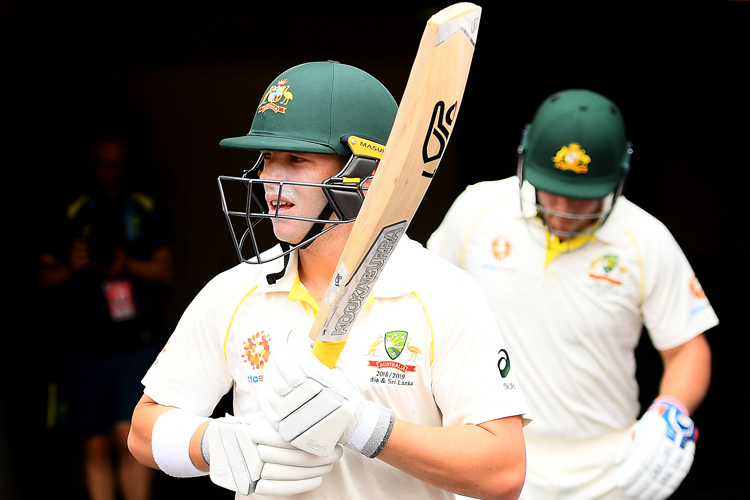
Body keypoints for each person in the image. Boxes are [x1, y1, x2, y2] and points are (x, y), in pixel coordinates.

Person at [127, 61, 530, 500]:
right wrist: (213, 443)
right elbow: (142, 431)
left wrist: (365, 427)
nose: (269, 182)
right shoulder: (236, 289)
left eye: (296, 160)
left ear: (365, 175)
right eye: (266, 160)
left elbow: (502, 470)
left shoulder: (441, 293)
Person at [427, 89, 716, 500]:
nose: (565, 207)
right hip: (490, 454)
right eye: (552, 189)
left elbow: (688, 348)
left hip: (609, 470)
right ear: (525, 160)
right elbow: (426, 312)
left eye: (583, 197)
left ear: (620, 175)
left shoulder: (645, 237)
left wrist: (669, 410)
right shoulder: (478, 210)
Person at [38, 135, 174, 500]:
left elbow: (166, 270)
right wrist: (72, 265)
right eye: (102, 164)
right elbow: (40, 279)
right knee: (94, 443)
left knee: (130, 437)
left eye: (116, 164)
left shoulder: (144, 204)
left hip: (136, 341)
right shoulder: (70, 208)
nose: (109, 172)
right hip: (84, 342)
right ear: (89, 162)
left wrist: (125, 263)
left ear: (127, 163)